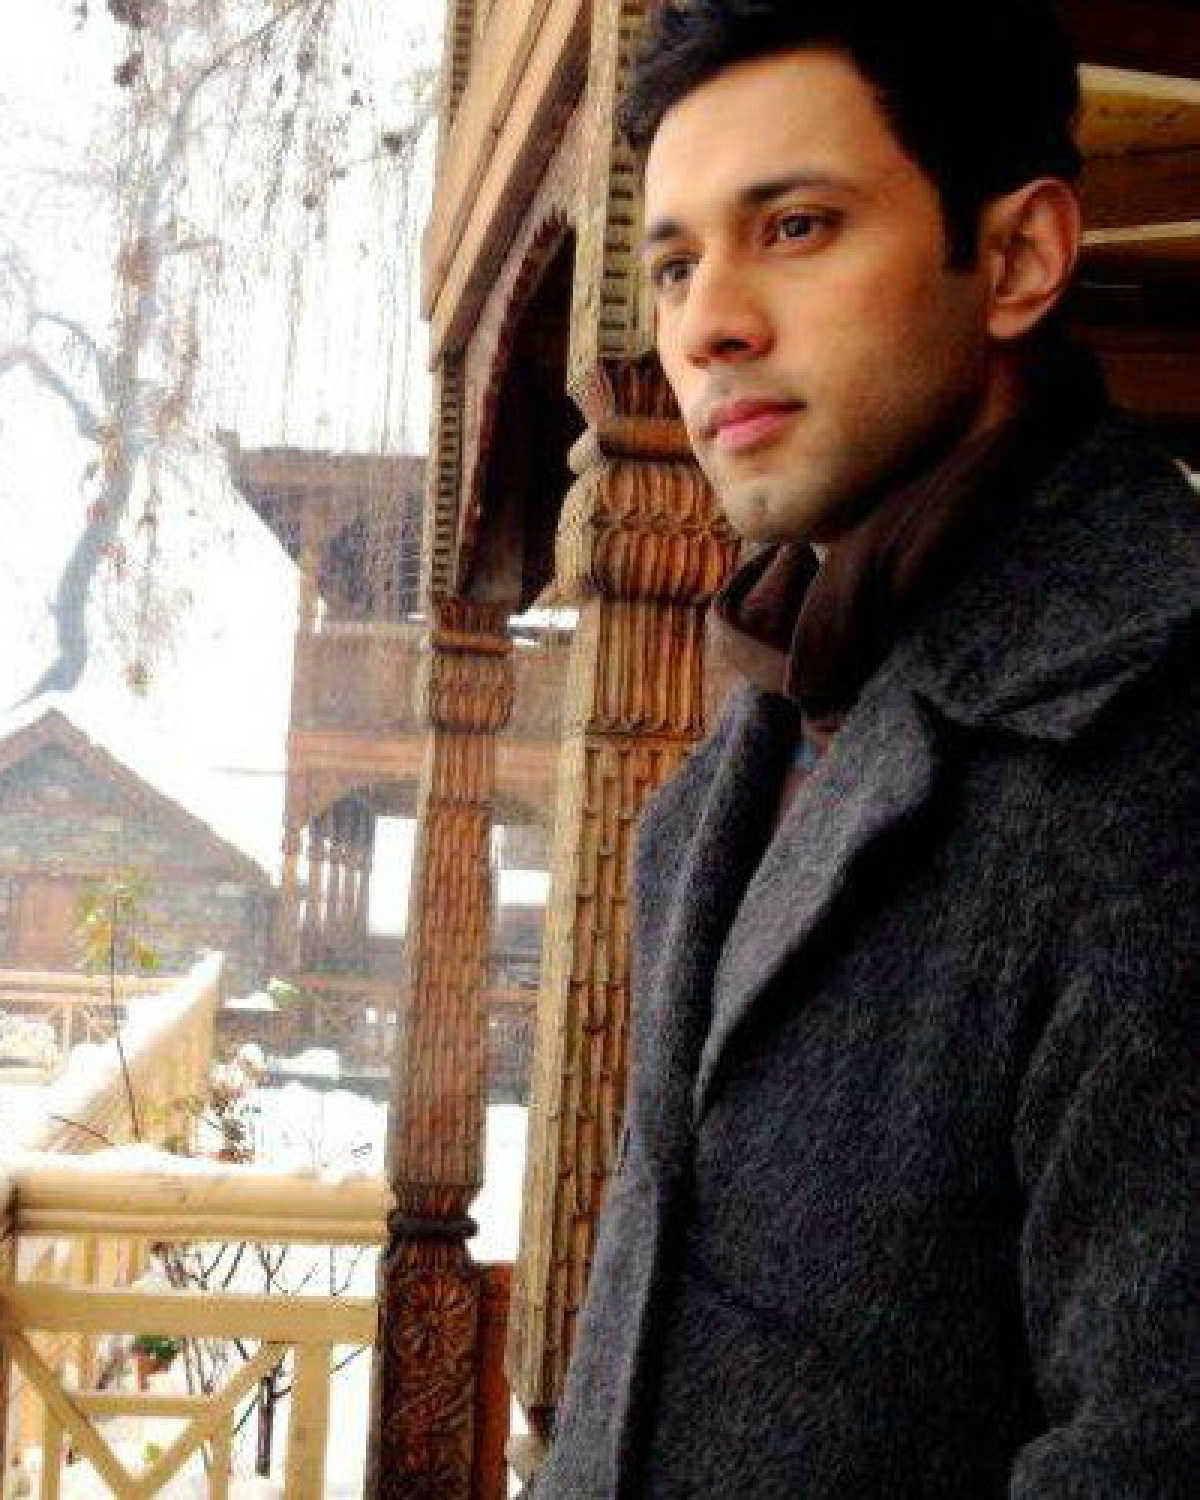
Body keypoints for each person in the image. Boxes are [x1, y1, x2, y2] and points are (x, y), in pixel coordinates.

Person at [530, 2, 1198, 1497]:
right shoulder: (747, 758)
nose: (706, 324)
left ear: (1017, 260)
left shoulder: (1152, 744)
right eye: (677, 263)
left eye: (797, 227)